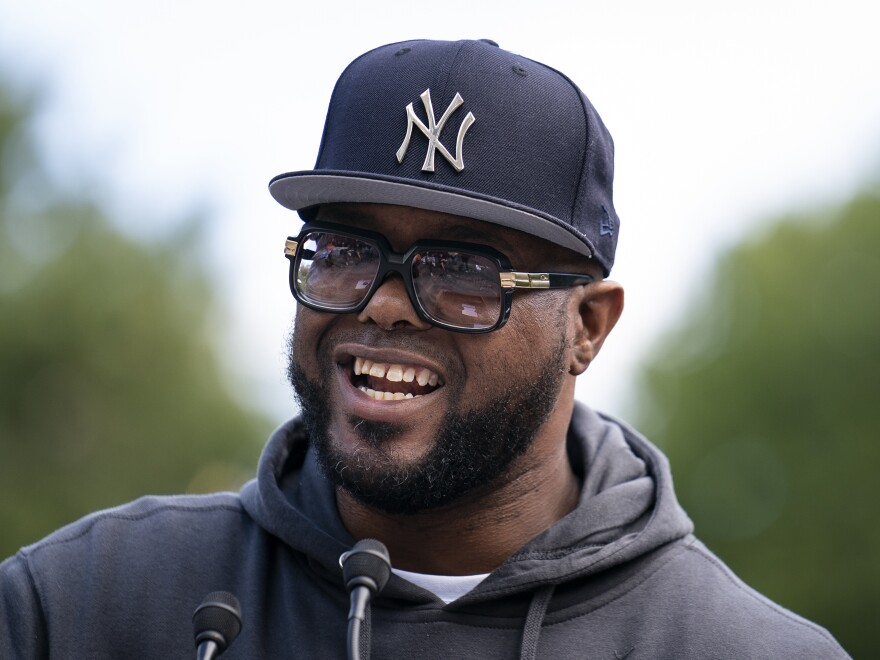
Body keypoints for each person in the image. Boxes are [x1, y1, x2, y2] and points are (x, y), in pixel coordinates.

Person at [0, 38, 848, 659]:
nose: (385, 302)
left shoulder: (744, 649)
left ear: (588, 326)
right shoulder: (80, 605)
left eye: (462, 269)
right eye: (344, 250)